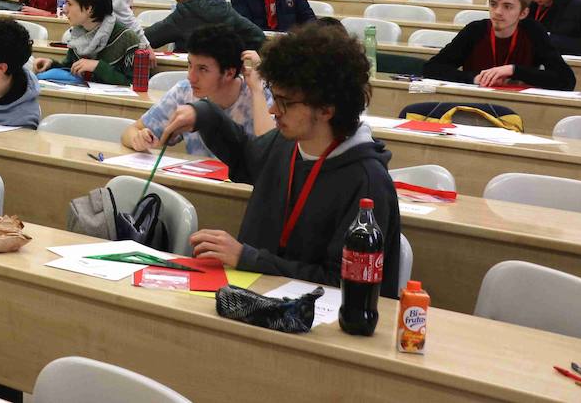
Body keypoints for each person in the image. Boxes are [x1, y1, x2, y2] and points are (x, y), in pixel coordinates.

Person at [158, 22, 401, 289]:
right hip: (254, 297)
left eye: (285, 102)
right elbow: (244, 156)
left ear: (326, 109)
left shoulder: (367, 181)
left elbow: (342, 283)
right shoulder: (287, 144)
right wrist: (203, 114)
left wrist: (247, 258)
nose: (273, 110)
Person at [121, 24, 273, 158]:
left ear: (229, 73)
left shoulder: (258, 93)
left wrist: (258, 91)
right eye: (190, 65)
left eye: (203, 69)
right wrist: (138, 139)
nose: (191, 77)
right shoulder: (184, 92)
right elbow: (131, 130)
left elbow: (273, 149)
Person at [423, 0, 575, 90]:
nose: (497, 12)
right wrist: (474, 78)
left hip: (518, 104)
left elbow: (566, 80)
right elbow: (432, 68)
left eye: (507, 7)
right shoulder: (475, 30)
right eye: (493, 4)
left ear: (523, 13)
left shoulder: (534, 32)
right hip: (475, 99)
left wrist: (514, 70)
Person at [31, 0, 145, 85]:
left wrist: (97, 67)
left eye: (69, 4)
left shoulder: (127, 38)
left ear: (89, 8)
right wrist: (51, 64)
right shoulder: (78, 32)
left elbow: (134, 83)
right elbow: (70, 68)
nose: (64, 10)